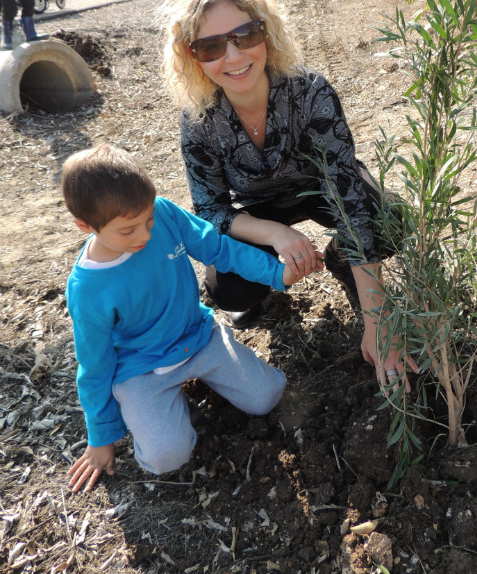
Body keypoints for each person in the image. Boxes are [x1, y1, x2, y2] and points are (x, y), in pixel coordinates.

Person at [162, 0, 419, 390]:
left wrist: (377, 319)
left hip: (323, 190)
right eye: (210, 47)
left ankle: (344, 261)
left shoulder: (310, 92)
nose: (234, 56)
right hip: (259, 211)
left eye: (245, 35)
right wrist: (277, 235)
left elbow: (347, 193)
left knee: (390, 218)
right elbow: (210, 210)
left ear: (266, 32)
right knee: (228, 289)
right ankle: (267, 288)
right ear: (193, 56)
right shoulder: (200, 121)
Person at [62, 143, 321, 493]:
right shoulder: (88, 288)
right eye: (128, 230)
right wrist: (101, 436)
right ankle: (159, 408)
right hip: (142, 369)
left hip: (199, 337)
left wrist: (277, 274)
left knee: (267, 397)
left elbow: (218, 247)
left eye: (148, 219)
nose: (145, 234)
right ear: (84, 225)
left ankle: (195, 384)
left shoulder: (165, 214)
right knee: (165, 458)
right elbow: (93, 365)